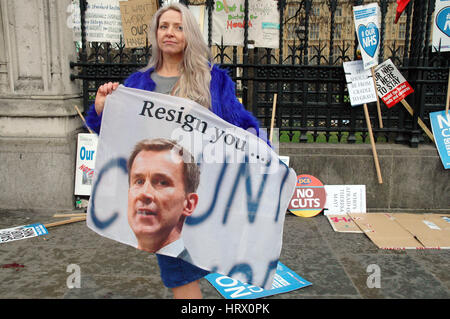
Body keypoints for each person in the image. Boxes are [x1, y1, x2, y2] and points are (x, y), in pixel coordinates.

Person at [85, 3, 267, 299]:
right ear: (155, 33)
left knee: (198, 263)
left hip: (207, 189)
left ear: (190, 35)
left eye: (178, 27)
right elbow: (118, 136)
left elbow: (239, 127)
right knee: (179, 270)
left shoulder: (213, 80)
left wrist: (264, 158)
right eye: (164, 26)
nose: (170, 32)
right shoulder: (137, 84)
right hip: (167, 194)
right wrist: (101, 110)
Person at [127, 138, 200, 263]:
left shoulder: (186, 276)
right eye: (139, 181)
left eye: (162, 182)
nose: (144, 193)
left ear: (188, 204)